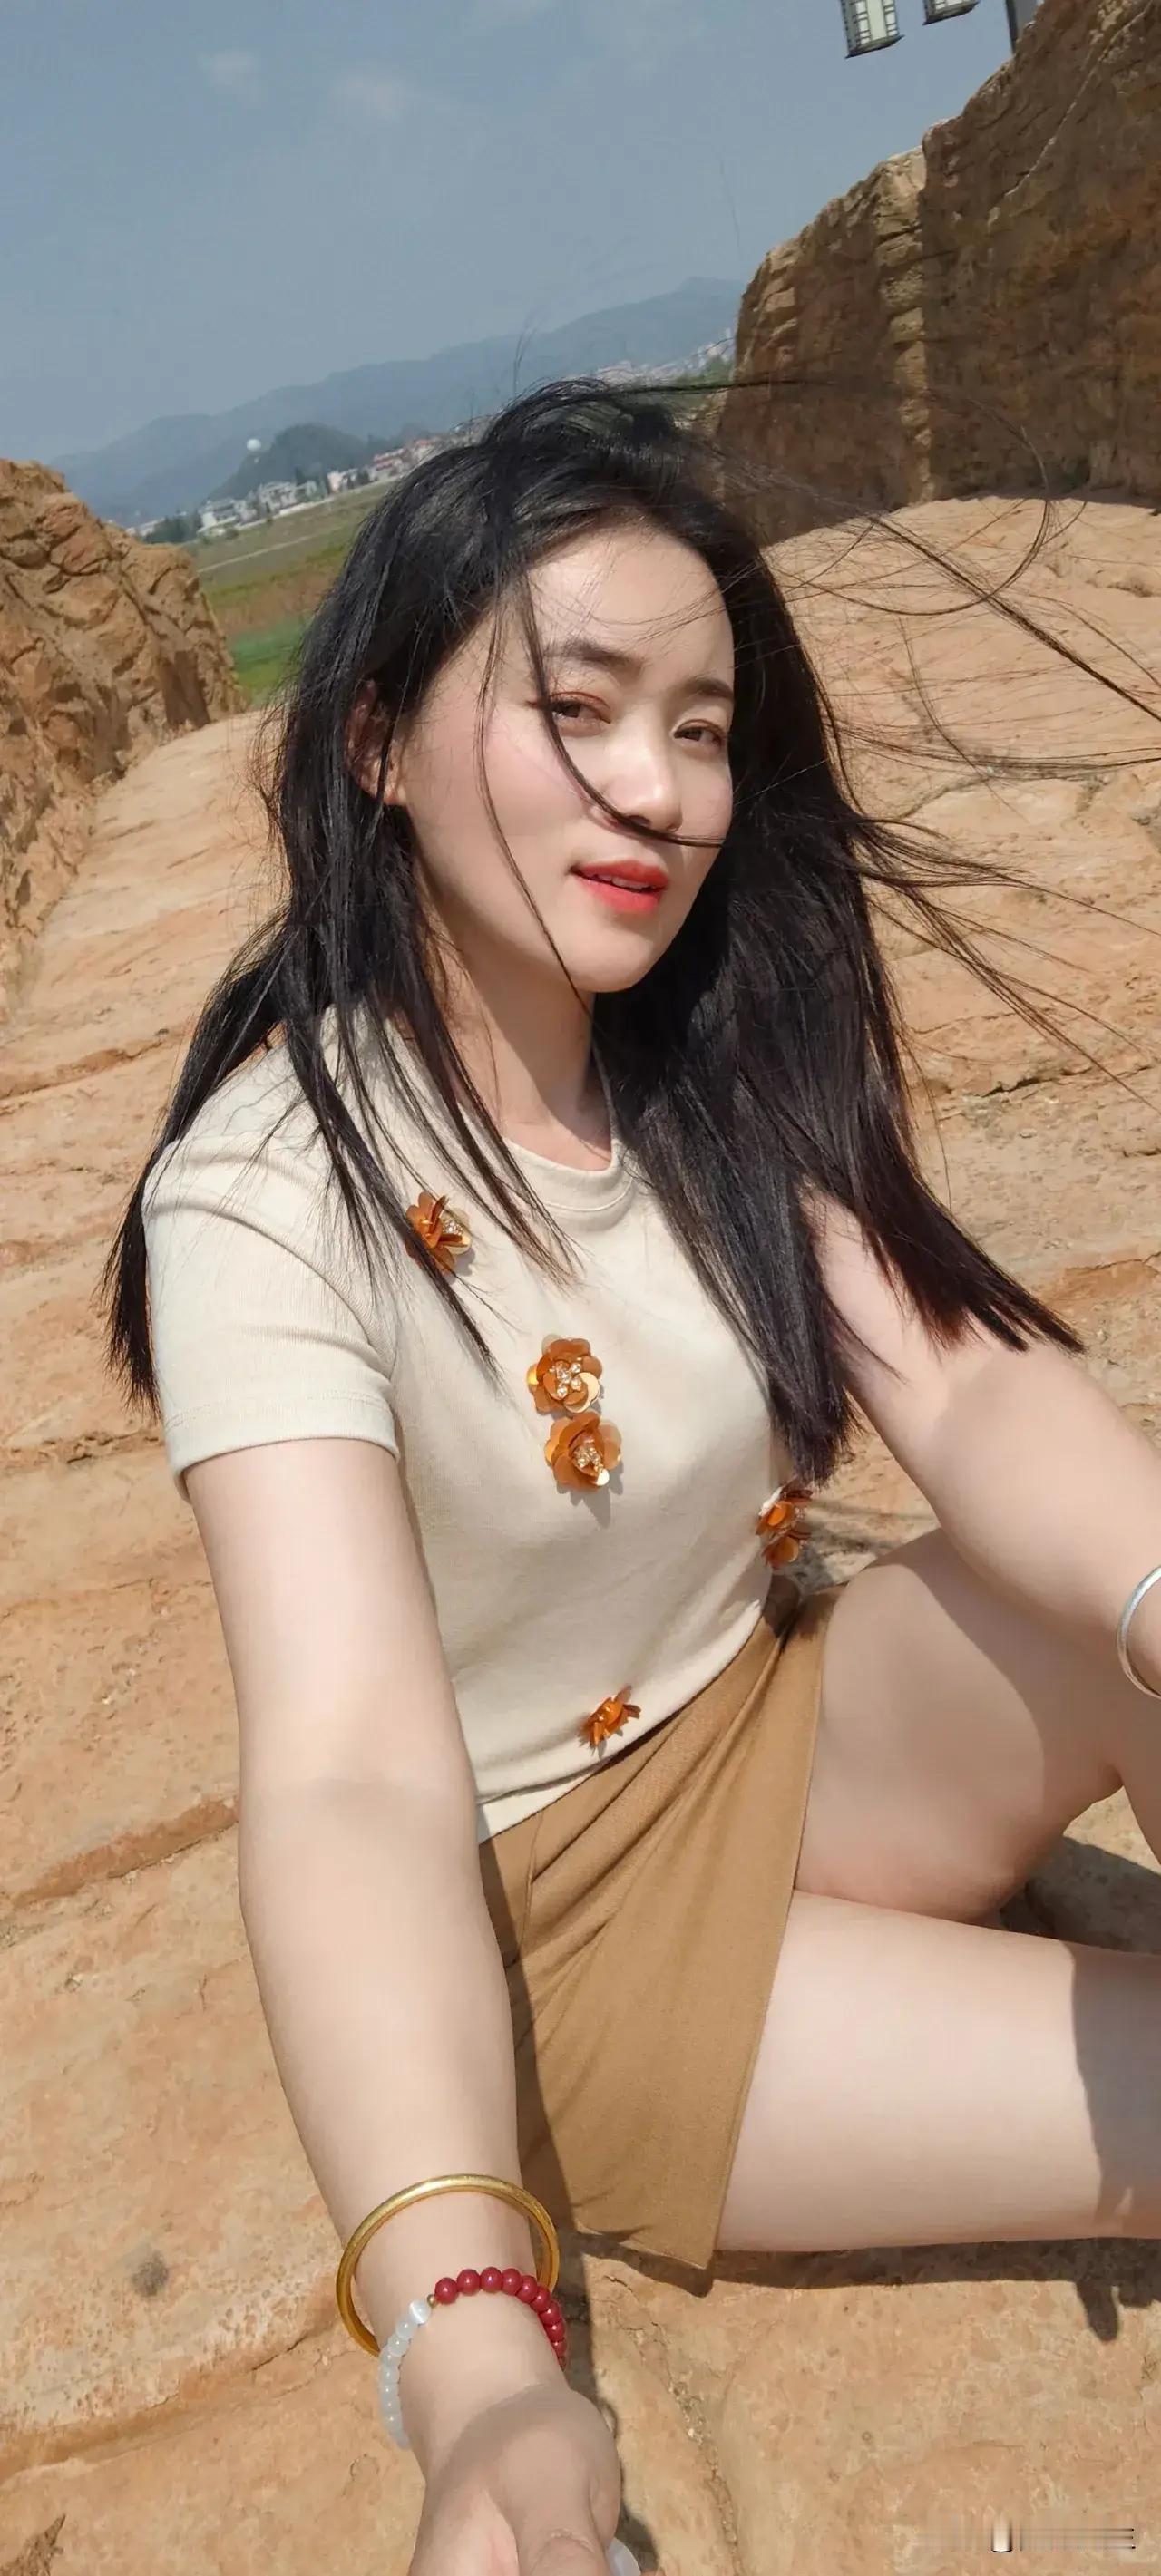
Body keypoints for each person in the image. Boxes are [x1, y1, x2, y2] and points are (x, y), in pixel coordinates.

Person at [101, 377, 1161, 2576]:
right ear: (377, 741)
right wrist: (476, 2360)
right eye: (575, 706)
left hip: (787, 1720)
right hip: (567, 1929)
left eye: (699, 728)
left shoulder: (697, 1056)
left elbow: (972, 1393)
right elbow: (350, 1774)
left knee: (1120, 1572)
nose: (657, 791)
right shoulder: (267, 1201)